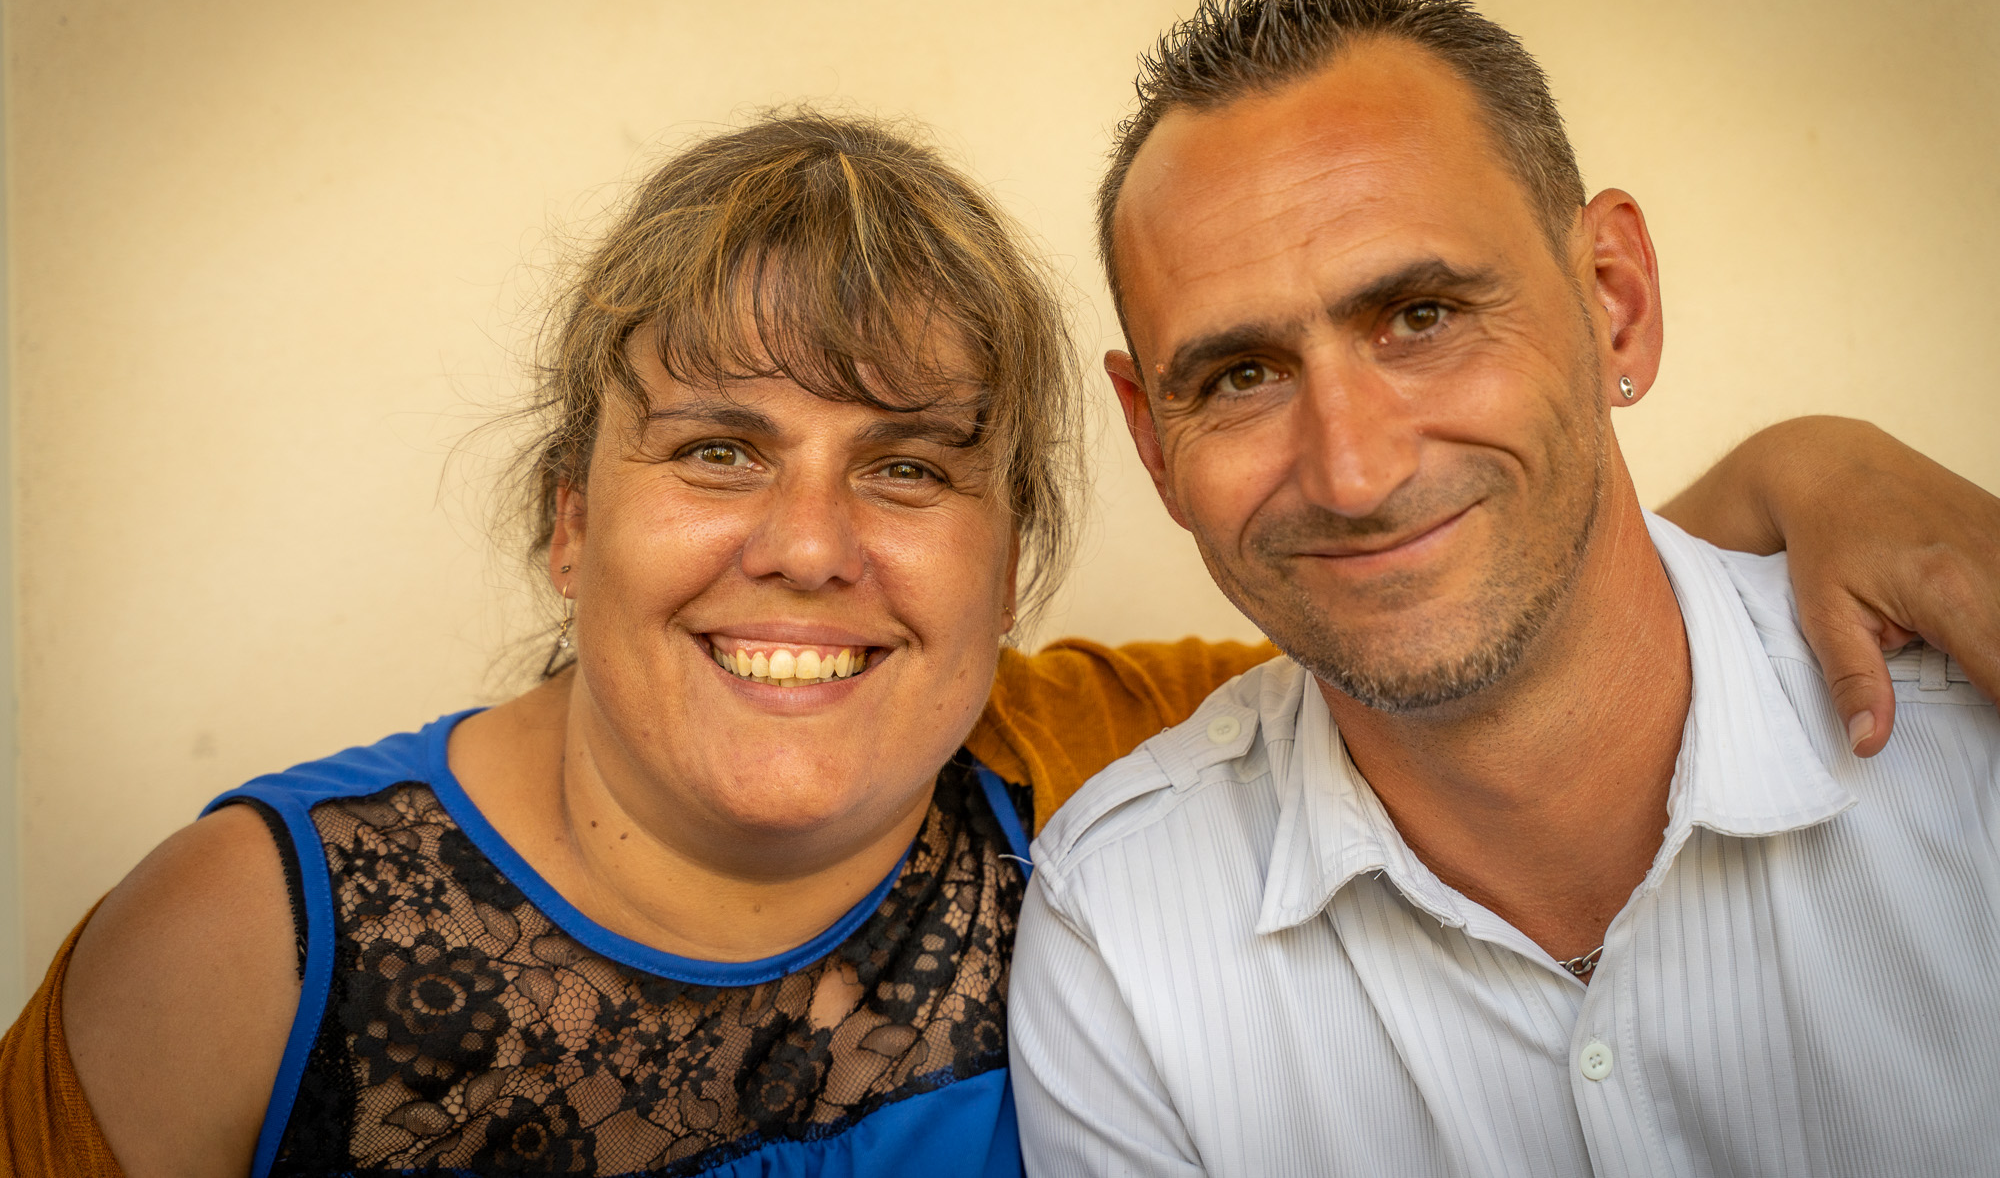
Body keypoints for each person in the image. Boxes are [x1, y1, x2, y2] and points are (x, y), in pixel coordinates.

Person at [1, 112, 1994, 1178]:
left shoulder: (1089, 760)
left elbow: (1470, 599)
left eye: (908, 466)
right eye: (716, 448)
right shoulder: (249, 948)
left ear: (1008, 556)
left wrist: (1803, 472)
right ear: (569, 512)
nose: (807, 547)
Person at [1010, 0, 2000, 1175]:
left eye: (1420, 315)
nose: (1353, 473)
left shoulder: (1970, 747)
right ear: (1154, 443)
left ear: (1613, 301)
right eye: (1241, 376)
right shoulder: (1118, 937)